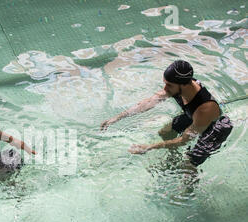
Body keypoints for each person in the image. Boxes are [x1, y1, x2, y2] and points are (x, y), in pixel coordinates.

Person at [100, 60, 233, 172]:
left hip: (215, 129)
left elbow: (183, 140)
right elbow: (149, 102)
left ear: (184, 85)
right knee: (165, 132)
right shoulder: (181, 85)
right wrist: (117, 118)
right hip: (192, 116)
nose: (165, 88)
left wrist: (149, 147)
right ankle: (173, 159)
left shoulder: (205, 109)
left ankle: (186, 193)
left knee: (188, 165)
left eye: (168, 85)